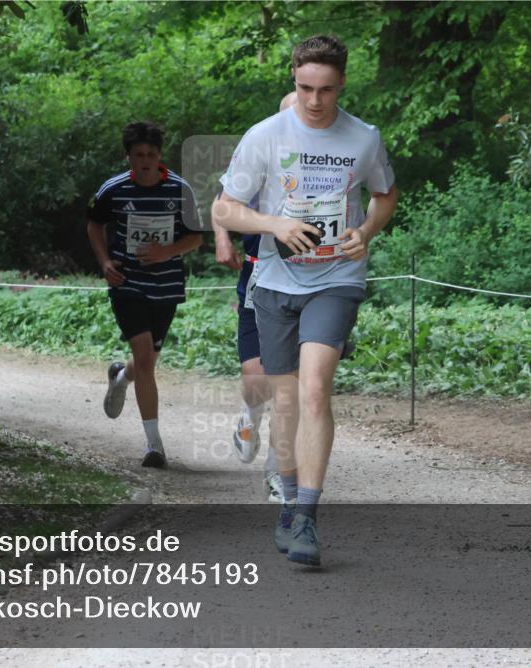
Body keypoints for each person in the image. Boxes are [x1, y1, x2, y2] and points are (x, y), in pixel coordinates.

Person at [212, 35, 398, 566]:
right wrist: (273, 224)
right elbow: (226, 209)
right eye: (305, 88)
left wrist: (367, 230)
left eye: (327, 90)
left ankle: (308, 518)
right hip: (274, 280)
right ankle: (289, 502)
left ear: (343, 84)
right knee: (287, 400)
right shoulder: (265, 135)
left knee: (315, 390)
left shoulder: (363, 137)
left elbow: (385, 194)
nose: (315, 100)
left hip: (337, 277)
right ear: (293, 78)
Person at [86, 122, 202, 468]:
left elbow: (196, 237)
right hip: (127, 283)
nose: (146, 161)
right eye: (139, 155)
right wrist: (105, 262)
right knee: (145, 357)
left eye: (151, 154)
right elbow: (94, 224)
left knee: (147, 360)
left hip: (165, 286)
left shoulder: (180, 189)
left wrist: (167, 251)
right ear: (129, 157)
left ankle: (121, 378)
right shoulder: (113, 189)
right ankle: (155, 446)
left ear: (160, 155)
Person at [213, 92, 297, 503]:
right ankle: (250, 416)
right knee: (256, 377)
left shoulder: (327, 161)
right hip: (258, 273)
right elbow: (222, 203)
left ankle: (278, 474)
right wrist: (222, 239)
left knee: (290, 383)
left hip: (310, 280)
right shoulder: (261, 153)